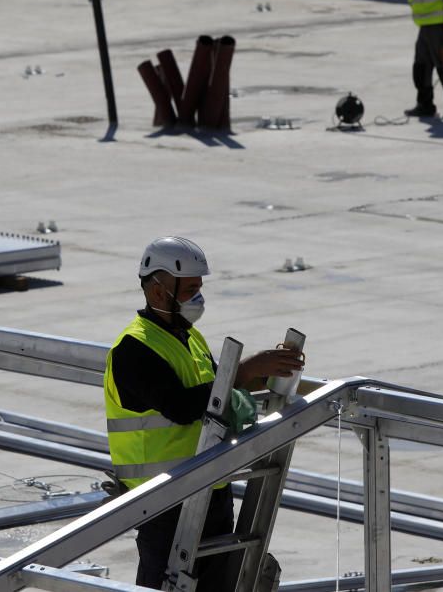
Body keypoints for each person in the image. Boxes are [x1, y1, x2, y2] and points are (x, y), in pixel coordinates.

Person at [103, 237, 305, 590]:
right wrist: (244, 371)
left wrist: (266, 376)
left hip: (209, 487)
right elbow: (181, 406)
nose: (198, 298)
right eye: (190, 289)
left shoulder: (189, 338)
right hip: (162, 501)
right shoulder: (134, 349)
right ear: (157, 291)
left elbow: (217, 395)